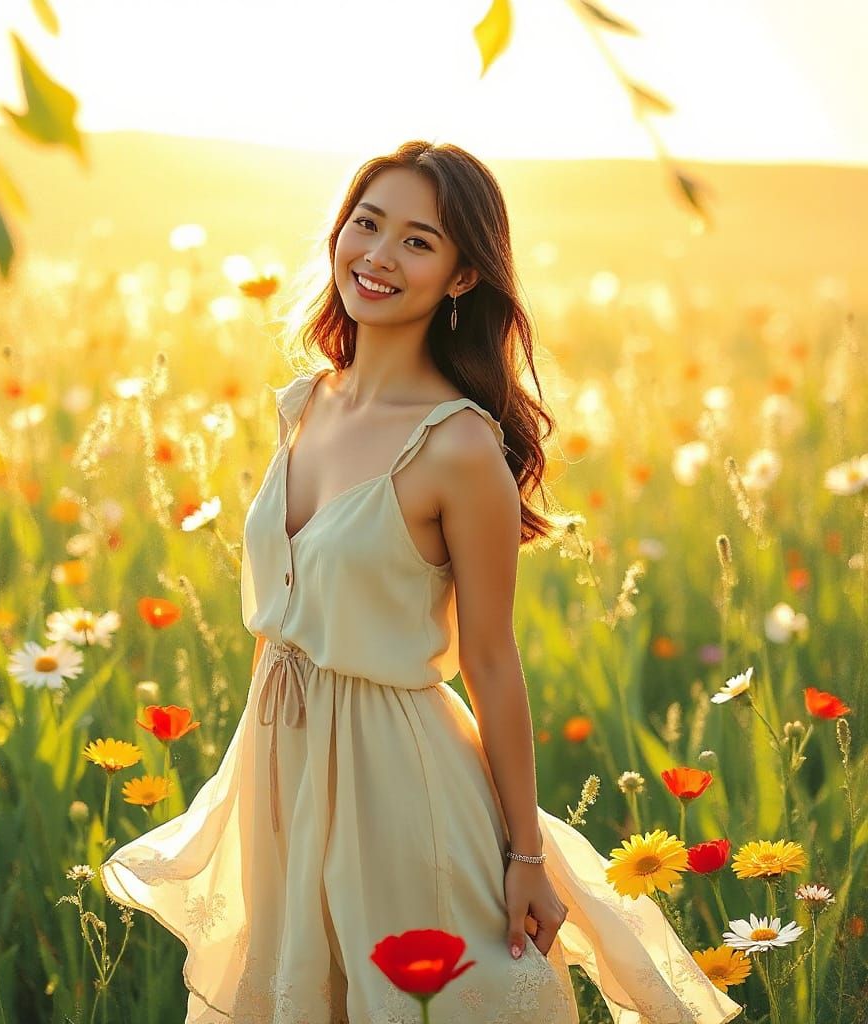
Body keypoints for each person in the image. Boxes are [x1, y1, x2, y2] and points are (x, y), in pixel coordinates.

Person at [101, 140, 743, 1024]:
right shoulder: (309, 402)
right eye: (367, 225)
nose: (378, 256)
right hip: (280, 764)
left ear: (462, 277)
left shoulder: (459, 446)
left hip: (393, 777)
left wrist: (524, 854)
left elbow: (491, 656)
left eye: (417, 240)